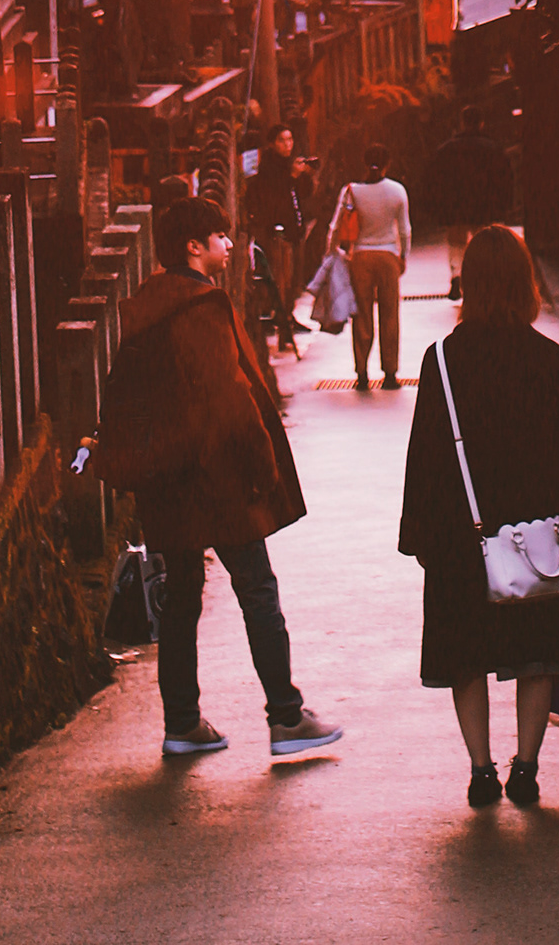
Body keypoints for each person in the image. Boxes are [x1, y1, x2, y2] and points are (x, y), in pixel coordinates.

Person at [91, 192, 343, 764]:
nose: (231, 245)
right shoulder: (203, 307)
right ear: (194, 247)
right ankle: (286, 715)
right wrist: (263, 466)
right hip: (218, 478)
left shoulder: (146, 308)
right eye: (221, 237)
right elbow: (228, 397)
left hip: (168, 479)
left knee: (181, 601)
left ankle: (182, 723)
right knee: (257, 589)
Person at [398, 223, 559, 812]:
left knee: (467, 653)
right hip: (534, 533)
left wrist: (420, 538)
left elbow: (427, 451)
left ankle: (481, 770)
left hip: (462, 531)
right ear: (525, 281)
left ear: (471, 285)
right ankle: (525, 767)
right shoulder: (544, 358)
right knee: (536, 651)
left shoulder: (444, 360)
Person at [329, 142, 410, 392]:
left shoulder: (352, 191)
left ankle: (362, 373)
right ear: (388, 163)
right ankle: (390, 373)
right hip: (388, 256)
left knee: (362, 315)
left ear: (364, 163)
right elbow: (405, 230)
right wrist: (402, 256)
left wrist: (334, 252)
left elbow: (335, 225)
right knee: (390, 314)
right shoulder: (397, 191)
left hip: (360, 258)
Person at [424, 103, 516, 301]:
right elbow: (505, 179)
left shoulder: (446, 149)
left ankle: (457, 275)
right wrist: (504, 205)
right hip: (485, 204)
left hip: (455, 204)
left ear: (462, 122)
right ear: (481, 123)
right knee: (483, 240)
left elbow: (435, 180)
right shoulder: (493, 149)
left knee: (456, 241)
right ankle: (482, 279)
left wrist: (438, 206)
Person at [249, 121, 312, 354]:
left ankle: (288, 319)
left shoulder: (289, 166)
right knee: (282, 282)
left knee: (293, 280)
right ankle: (283, 327)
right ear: (273, 143)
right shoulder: (269, 168)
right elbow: (275, 200)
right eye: (282, 140)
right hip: (278, 233)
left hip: (295, 231)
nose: (287, 145)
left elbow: (303, 194)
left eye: (290, 139)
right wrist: (292, 176)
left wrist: (301, 175)